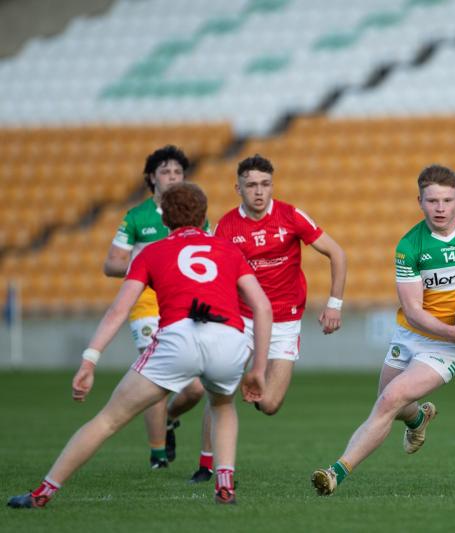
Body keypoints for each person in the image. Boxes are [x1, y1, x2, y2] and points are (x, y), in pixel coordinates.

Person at [8, 183, 272, 508]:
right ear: (204, 216)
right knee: (221, 405)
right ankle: (225, 487)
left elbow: (119, 310)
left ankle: (42, 494)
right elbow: (262, 306)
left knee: (107, 421)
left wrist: (90, 360)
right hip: (228, 339)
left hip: (179, 336)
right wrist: (258, 368)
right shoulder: (228, 249)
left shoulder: (151, 252)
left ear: (165, 219)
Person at [311, 164, 455, 495]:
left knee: (390, 399)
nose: (441, 208)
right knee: (392, 403)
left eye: (447, 200)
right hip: (413, 334)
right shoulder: (410, 246)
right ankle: (418, 420)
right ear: (419, 201)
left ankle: (336, 472)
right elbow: (415, 312)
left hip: (451, 346)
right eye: (432, 201)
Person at [165, 154, 347, 483]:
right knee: (221, 390)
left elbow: (337, 253)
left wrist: (334, 304)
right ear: (238, 188)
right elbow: (215, 274)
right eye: (251, 185)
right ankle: (206, 465)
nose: (259, 192)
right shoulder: (226, 227)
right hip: (241, 319)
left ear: (272, 186)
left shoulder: (291, 216)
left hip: (285, 321)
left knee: (271, 404)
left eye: (265, 184)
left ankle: (254, 379)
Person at [102, 145, 207, 469]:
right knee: (158, 381)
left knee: (196, 389)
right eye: (166, 172)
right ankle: (158, 454)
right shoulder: (137, 217)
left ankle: (170, 419)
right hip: (147, 304)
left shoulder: (196, 216)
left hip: (185, 305)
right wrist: (150, 264)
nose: (173, 178)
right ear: (152, 178)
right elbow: (111, 265)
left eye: (178, 173)